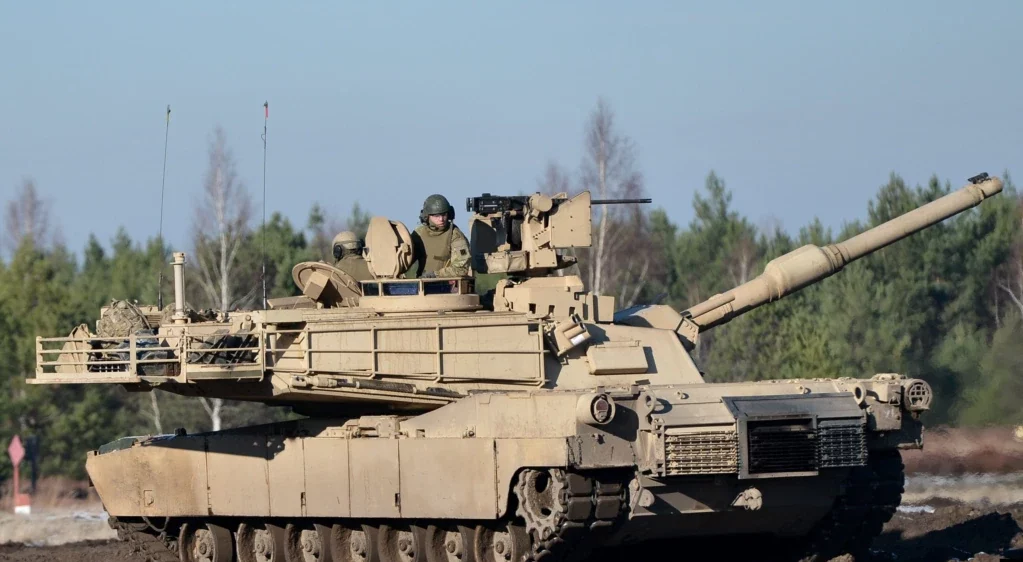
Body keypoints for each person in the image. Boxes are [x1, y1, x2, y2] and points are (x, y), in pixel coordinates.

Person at [410, 194, 470, 278]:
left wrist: (436, 274)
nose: (441, 219)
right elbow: (405, 260)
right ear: (426, 216)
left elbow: (461, 268)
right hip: (421, 282)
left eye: (444, 215)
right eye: (436, 216)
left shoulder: (455, 235)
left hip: (446, 283)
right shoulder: (419, 233)